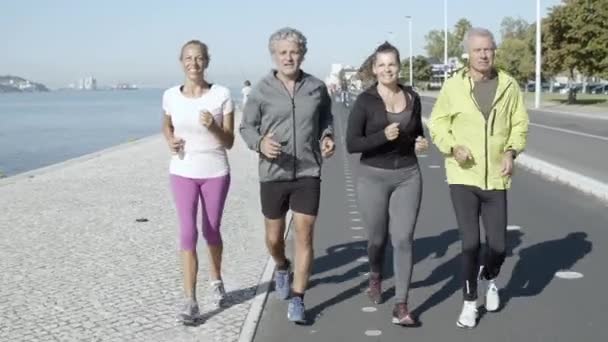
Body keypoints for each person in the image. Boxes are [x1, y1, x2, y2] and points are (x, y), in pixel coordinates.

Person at [428, 27, 529, 329]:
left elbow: (519, 123)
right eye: (478, 50)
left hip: (497, 177)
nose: (484, 55)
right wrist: (451, 146)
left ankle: (489, 277)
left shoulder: (509, 85)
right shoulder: (453, 86)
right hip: (463, 176)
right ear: (468, 54)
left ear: (494, 51)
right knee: (470, 243)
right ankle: (470, 302)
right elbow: (437, 123)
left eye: (489, 49)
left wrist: (511, 151)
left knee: (498, 246)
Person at [239, 27, 335, 323]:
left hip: (308, 170)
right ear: (274, 56)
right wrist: (260, 143)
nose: (289, 57)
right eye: (283, 52)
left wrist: (327, 136)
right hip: (273, 172)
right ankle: (282, 266)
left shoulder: (316, 87)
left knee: (304, 234)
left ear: (302, 54)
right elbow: (246, 127)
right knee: (274, 239)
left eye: (294, 52)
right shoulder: (261, 89)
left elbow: (325, 118)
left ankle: (298, 297)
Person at [346, 42, 428, 327]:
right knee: (377, 239)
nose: (386, 69)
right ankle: (375, 274)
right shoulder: (365, 101)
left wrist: (421, 143)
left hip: (408, 175)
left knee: (403, 239)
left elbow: (417, 132)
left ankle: (401, 305)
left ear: (398, 67)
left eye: (391, 64)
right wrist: (382, 135)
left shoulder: (413, 97)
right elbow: (352, 143)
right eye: (381, 65)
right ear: (374, 69)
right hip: (372, 176)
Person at [161, 40, 235, 325]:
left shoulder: (222, 95)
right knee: (187, 233)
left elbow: (228, 141)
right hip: (182, 170)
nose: (194, 63)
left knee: (211, 231)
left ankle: (216, 278)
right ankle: (190, 300)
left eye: (200, 58)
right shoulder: (170, 95)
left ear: (207, 61)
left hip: (215, 171)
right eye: (189, 58)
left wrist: (212, 126)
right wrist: (170, 139)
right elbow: (166, 123)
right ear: (181, 61)